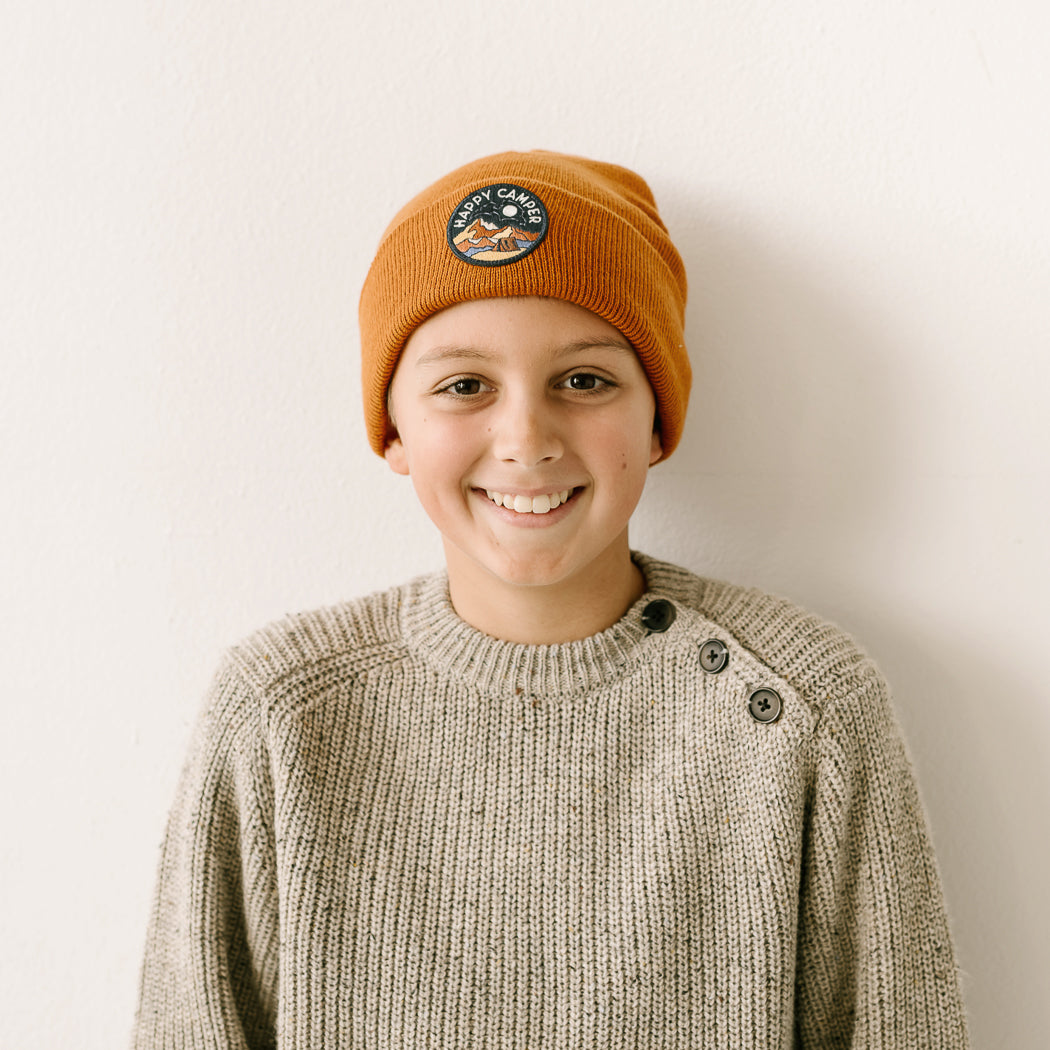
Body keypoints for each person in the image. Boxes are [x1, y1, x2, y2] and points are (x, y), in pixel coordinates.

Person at [132, 151, 970, 1047]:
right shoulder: (281, 712)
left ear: (657, 421)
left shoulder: (806, 709)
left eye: (584, 380)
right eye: (464, 386)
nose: (525, 439)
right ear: (393, 430)